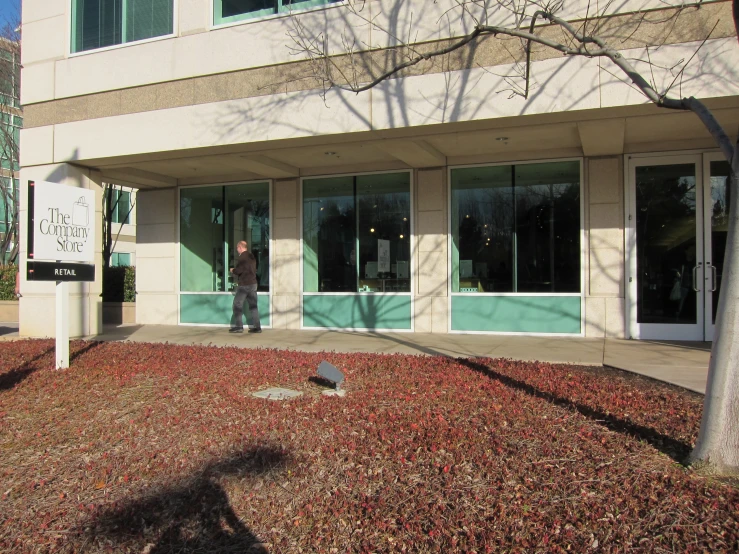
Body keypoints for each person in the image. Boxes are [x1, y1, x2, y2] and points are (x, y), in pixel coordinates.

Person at [229, 241, 261, 334]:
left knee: (237, 304)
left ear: (240, 247)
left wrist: (232, 270)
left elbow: (239, 271)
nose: (237, 250)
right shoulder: (251, 256)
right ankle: (257, 327)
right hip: (253, 284)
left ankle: (239, 326)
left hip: (245, 285)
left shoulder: (242, 257)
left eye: (237, 248)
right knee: (253, 306)